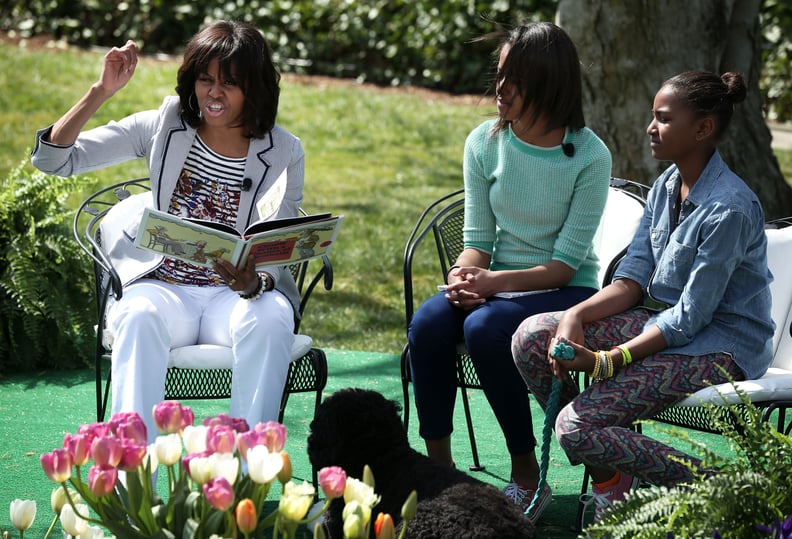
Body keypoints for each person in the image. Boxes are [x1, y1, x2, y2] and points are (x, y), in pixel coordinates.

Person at [511, 70, 774, 522]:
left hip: (722, 347)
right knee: (533, 335)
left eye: (664, 119)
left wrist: (604, 362)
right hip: (669, 327)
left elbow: (691, 317)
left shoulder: (728, 207)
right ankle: (613, 482)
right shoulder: (667, 186)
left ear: (703, 128)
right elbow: (632, 280)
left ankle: (723, 488)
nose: (651, 128)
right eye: (653, 117)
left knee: (573, 427)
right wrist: (573, 315)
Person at [31, 20, 305, 442]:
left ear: (256, 88)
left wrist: (258, 281)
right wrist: (100, 92)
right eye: (205, 79)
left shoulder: (284, 151)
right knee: (137, 316)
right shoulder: (164, 125)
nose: (214, 93)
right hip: (162, 289)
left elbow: (276, 248)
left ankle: (244, 479)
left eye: (230, 83)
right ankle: (132, 487)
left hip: (233, 298)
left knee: (271, 317)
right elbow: (54, 161)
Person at [406, 21, 612, 522]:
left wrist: (493, 284)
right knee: (430, 324)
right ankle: (442, 478)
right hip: (501, 287)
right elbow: (477, 243)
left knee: (484, 328)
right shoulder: (483, 142)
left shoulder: (589, 155)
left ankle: (528, 477)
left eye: (515, 80)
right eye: (500, 75)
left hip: (564, 288)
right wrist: (463, 276)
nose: (500, 89)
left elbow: (564, 266)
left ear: (550, 84)